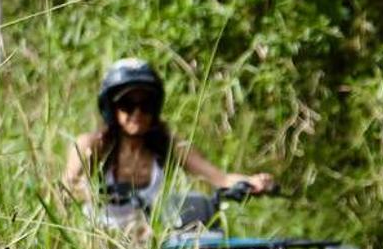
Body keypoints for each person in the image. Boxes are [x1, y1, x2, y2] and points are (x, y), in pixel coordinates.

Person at [61, 58, 275, 226]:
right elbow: (67, 186)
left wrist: (252, 182)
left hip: (149, 244)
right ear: (111, 108)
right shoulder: (92, 145)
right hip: (101, 245)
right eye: (127, 104)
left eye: (146, 105)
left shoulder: (167, 144)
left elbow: (219, 178)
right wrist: (93, 192)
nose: (137, 113)